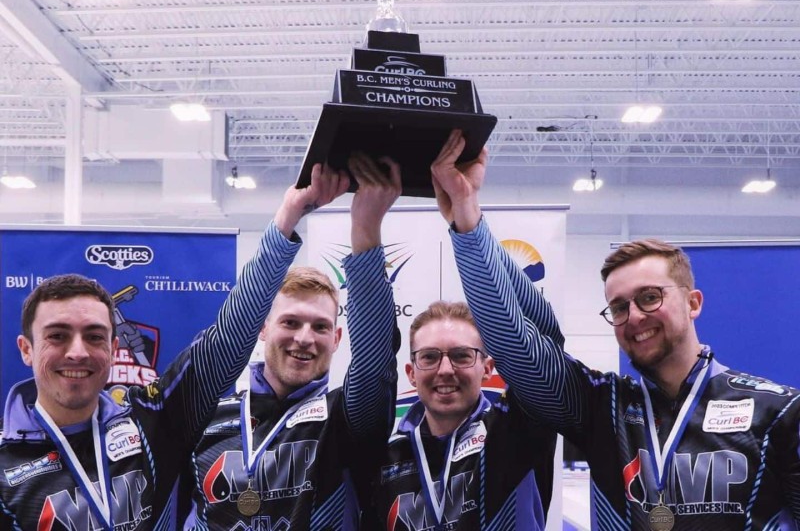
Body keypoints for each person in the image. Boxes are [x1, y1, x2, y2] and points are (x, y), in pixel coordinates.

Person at [438, 131, 800, 529]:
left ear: (693, 302)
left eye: (649, 297)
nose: (635, 317)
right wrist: (468, 221)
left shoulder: (778, 411)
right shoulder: (602, 408)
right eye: (619, 306)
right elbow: (518, 346)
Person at [0, 163, 349, 530]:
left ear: (113, 345)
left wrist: (288, 216)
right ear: (26, 348)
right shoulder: (6, 462)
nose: (78, 351)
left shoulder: (150, 423)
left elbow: (226, 343)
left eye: (94, 335)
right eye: (57, 335)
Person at [186, 153, 401, 529]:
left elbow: (374, 363)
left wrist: (366, 229)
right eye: (290, 322)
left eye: (320, 327)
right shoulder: (207, 412)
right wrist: (288, 214)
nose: (304, 338)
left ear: (336, 339)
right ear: (263, 328)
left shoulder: (343, 421)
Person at [365, 132, 565, 531]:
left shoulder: (516, 431)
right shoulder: (386, 456)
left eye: (460, 355)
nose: (444, 370)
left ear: (486, 366)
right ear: (411, 372)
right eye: (429, 357)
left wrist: (467, 220)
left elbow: (546, 340)